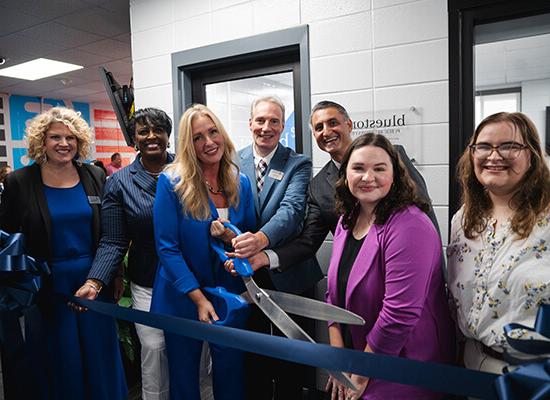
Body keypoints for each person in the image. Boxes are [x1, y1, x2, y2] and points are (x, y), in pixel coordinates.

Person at [0, 106, 127, 400]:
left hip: (94, 281)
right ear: (42, 141)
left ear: (79, 141)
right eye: (55, 137)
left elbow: (110, 233)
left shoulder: (95, 175)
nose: (63, 143)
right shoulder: (20, 182)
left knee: (101, 359)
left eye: (70, 137)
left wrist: (111, 275)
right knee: (57, 362)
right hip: (47, 289)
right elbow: (6, 237)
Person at [249, 100, 439, 284]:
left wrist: (438, 269)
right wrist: (265, 257)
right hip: (357, 283)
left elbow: (423, 211)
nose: (327, 131)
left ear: (349, 125)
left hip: (407, 272)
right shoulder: (318, 187)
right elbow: (308, 241)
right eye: (319, 127)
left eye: (333, 123)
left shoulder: (391, 157)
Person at [326, 133, 455, 400]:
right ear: (345, 174)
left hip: (405, 364)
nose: (367, 177)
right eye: (358, 168)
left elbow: (400, 314)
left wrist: (361, 372)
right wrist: (337, 357)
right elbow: (333, 296)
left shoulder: (410, 224)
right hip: (357, 357)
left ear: (395, 175)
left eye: (379, 168)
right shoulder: (346, 220)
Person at [150, 104, 256, 400]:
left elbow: (245, 235)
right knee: (184, 376)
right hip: (183, 295)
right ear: (188, 144)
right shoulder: (171, 182)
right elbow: (167, 248)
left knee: (231, 372)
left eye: (213, 132)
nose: (209, 142)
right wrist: (197, 297)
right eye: (198, 137)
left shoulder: (240, 181)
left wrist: (230, 239)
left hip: (229, 292)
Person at [76, 108, 174, 400]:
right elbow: (114, 240)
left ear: (168, 135)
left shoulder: (189, 170)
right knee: (154, 351)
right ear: (134, 138)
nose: (152, 136)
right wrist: (95, 281)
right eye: (143, 131)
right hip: (148, 281)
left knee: (193, 353)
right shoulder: (119, 183)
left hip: (193, 279)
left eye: (158, 130)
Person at [232, 96, 322, 400]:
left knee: (292, 356)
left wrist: (258, 240)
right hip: (247, 277)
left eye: (273, 121)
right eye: (260, 120)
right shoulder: (233, 161)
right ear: (250, 124)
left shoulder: (298, 163)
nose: (266, 127)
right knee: (253, 352)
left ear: (283, 126)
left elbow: (292, 211)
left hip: (289, 273)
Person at [447, 112, 550, 374]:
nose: (494, 156)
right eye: (483, 146)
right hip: (473, 364)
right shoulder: (463, 221)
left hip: (536, 373)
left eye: (509, 146)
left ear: (532, 156)